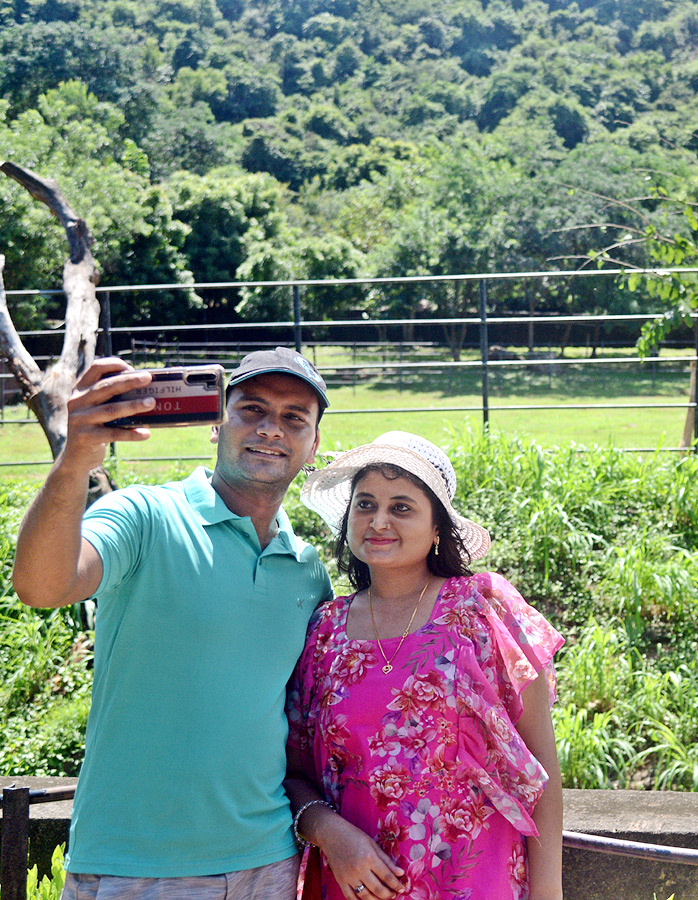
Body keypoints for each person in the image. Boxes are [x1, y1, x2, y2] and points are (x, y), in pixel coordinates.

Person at [13, 347, 334, 898]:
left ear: (313, 445)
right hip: (135, 867)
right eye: (251, 409)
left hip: (270, 861)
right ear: (218, 424)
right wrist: (74, 462)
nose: (269, 429)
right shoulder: (144, 515)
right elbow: (44, 586)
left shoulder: (307, 572)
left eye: (293, 418)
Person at [285, 431, 564, 900]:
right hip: (356, 884)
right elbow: (294, 773)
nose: (378, 521)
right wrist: (329, 832)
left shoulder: (482, 609)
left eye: (401, 507)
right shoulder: (322, 633)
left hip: (478, 882)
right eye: (366, 504)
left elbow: (542, 770)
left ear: (437, 527)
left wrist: (549, 892)